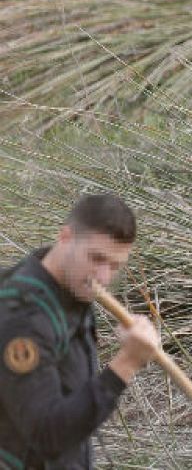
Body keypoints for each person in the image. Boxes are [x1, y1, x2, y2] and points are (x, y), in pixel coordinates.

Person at [0, 194, 161, 468]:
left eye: (115, 266)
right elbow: (47, 435)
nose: (103, 277)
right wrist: (127, 362)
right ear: (65, 238)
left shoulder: (71, 286)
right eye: (96, 258)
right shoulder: (25, 316)